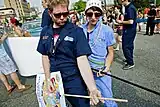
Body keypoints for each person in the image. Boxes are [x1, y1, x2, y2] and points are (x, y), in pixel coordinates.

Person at [37, 0, 103, 106]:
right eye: (58, 15)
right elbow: (45, 56)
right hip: (54, 79)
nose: (62, 17)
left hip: (73, 80)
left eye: (65, 13)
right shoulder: (44, 32)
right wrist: (48, 78)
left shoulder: (77, 31)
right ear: (50, 13)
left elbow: (82, 59)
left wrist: (92, 88)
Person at [82, 0, 117, 106]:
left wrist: (106, 68)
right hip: (83, 73)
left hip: (101, 73)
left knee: (108, 100)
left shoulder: (107, 30)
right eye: (90, 14)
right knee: (87, 101)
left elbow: (110, 52)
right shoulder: (79, 30)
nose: (93, 17)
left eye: (97, 14)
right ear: (85, 14)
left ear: (101, 15)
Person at [117, 0, 137, 70]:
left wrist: (121, 22)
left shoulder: (130, 8)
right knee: (130, 46)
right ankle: (129, 59)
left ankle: (130, 63)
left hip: (129, 30)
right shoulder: (128, 7)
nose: (120, 2)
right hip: (130, 30)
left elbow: (131, 21)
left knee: (125, 46)